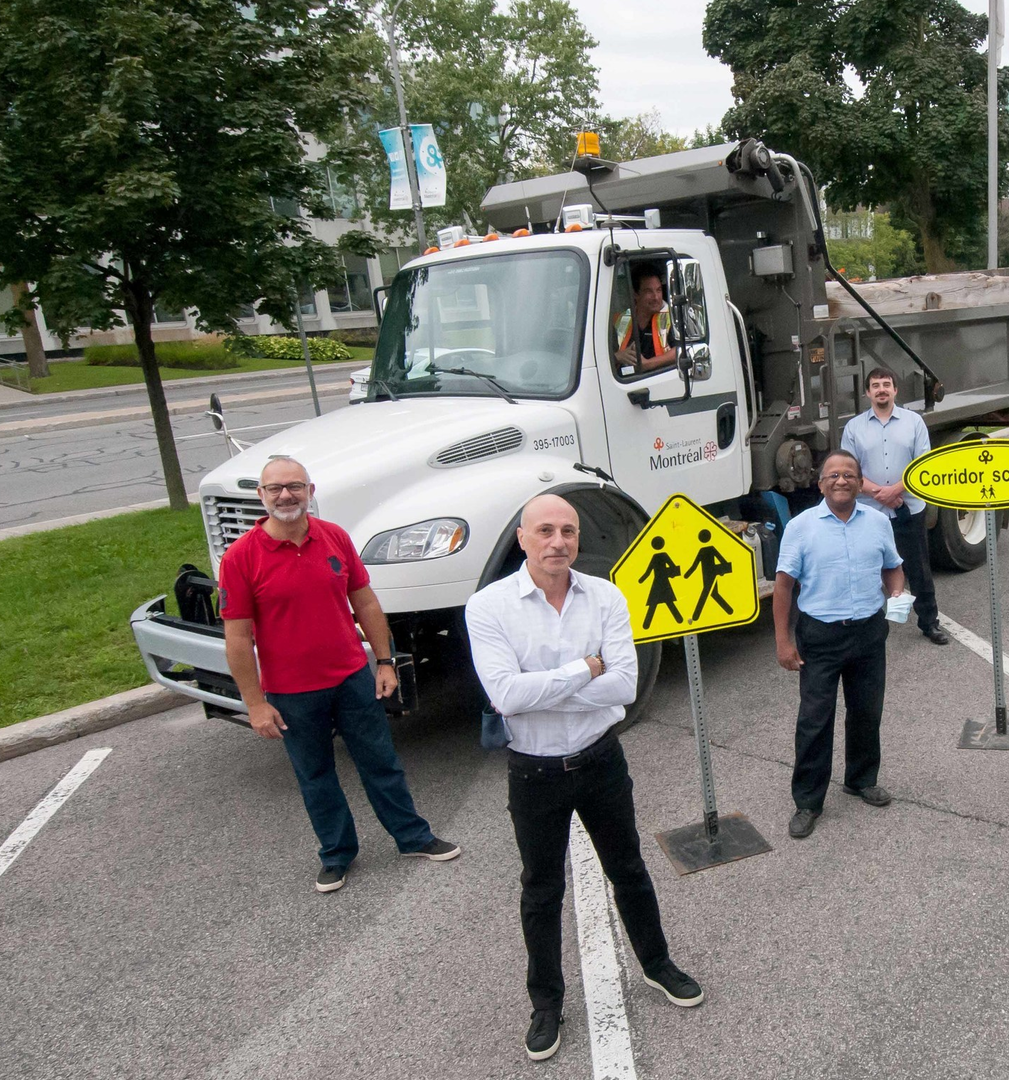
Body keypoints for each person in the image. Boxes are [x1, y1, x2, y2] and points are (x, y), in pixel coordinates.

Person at [465, 494, 702, 1063]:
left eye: (568, 531)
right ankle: (546, 1003)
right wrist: (584, 670)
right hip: (534, 774)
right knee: (541, 892)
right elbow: (504, 696)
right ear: (521, 538)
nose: (558, 542)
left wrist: (544, 690)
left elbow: (624, 685)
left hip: (600, 761)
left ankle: (657, 963)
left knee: (630, 868)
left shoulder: (606, 596)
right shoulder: (488, 607)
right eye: (544, 530)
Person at [219, 457, 460, 894]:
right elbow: (236, 639)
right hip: (291, 693)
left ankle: (413, 837)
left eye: (294, 486)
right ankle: (336, 854)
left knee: (381, 764)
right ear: (261, 496)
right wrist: (255, 704)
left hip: (351, 678)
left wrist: (384, 662)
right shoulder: (240, 558)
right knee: (316, 777)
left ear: (310, 491)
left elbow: (365, 602)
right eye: (274, 488)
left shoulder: (334, 538)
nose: (285, 495)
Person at [773, 450, 906, 840]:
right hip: (820, 636)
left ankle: (861, 779)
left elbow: (892, 566)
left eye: (849, 474)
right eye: (833, 475)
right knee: (815, 720)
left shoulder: (879, 522)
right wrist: (783, 642)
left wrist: (897, 592)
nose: (841, 481)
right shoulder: (801, 527)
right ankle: (808, 802)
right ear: (821, 484)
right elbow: (783, 586)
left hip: (868, 631)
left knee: (867, 711)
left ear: (859, 481)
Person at [840, 366, 948, 645]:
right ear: (867, 393)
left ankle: (929, 623)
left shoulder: (914, 422)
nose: (881, 390)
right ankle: (871, 628)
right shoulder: (854, 428)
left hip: (907, 508)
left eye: (886, 384)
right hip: (869, 513)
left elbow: (923, 465)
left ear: (896, 390)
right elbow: (848, 471)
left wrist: (896, 490)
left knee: (918, 569)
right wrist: (881, 494)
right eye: (875, 386)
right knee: (868, 571)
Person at [614, 262, 675, 372]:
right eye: (649, 291)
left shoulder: (672, 317)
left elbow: (683, 350)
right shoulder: (621, 320)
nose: (656, 297)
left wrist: (648, 364)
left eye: (658, 290)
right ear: (635, 294)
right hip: (625, 385)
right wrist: (617, 356)